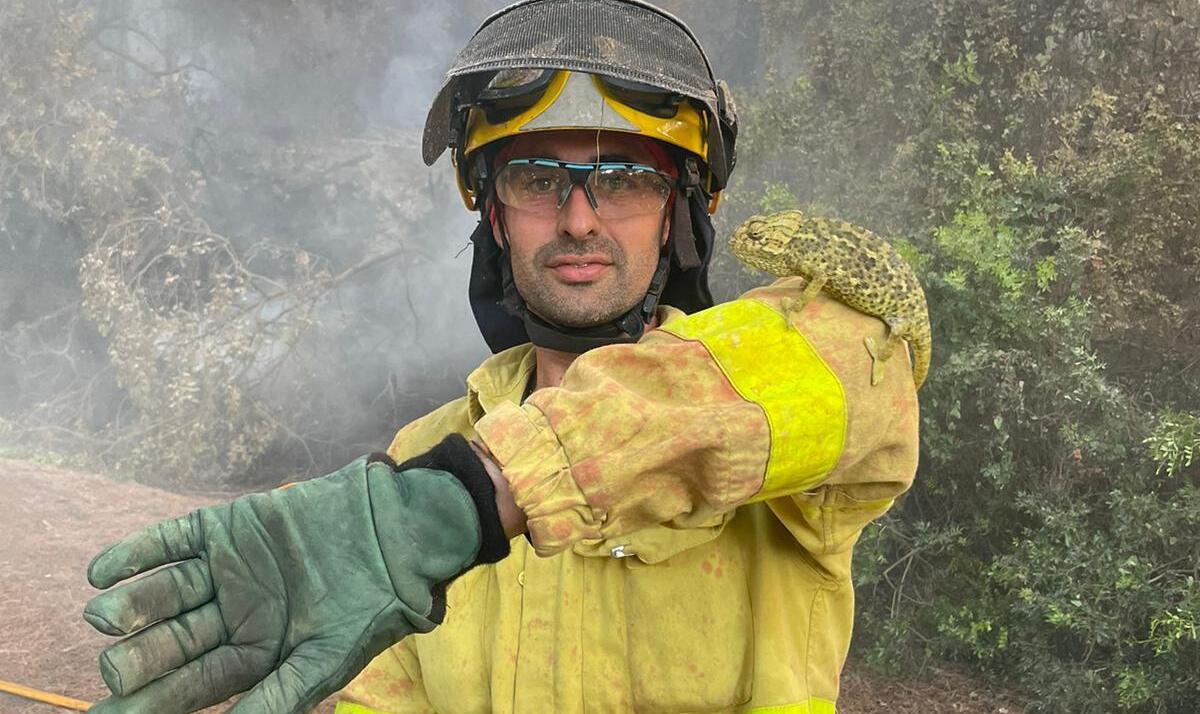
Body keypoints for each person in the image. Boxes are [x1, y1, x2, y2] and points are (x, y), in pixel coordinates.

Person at [82, 2, 921, 713]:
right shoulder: (411, 470)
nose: (582, 218)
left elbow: (866, 354)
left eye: (625, 178)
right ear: (492, 215)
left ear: (678, 214)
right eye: (536, 177)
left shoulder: (777, 405)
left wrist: (483, 493)